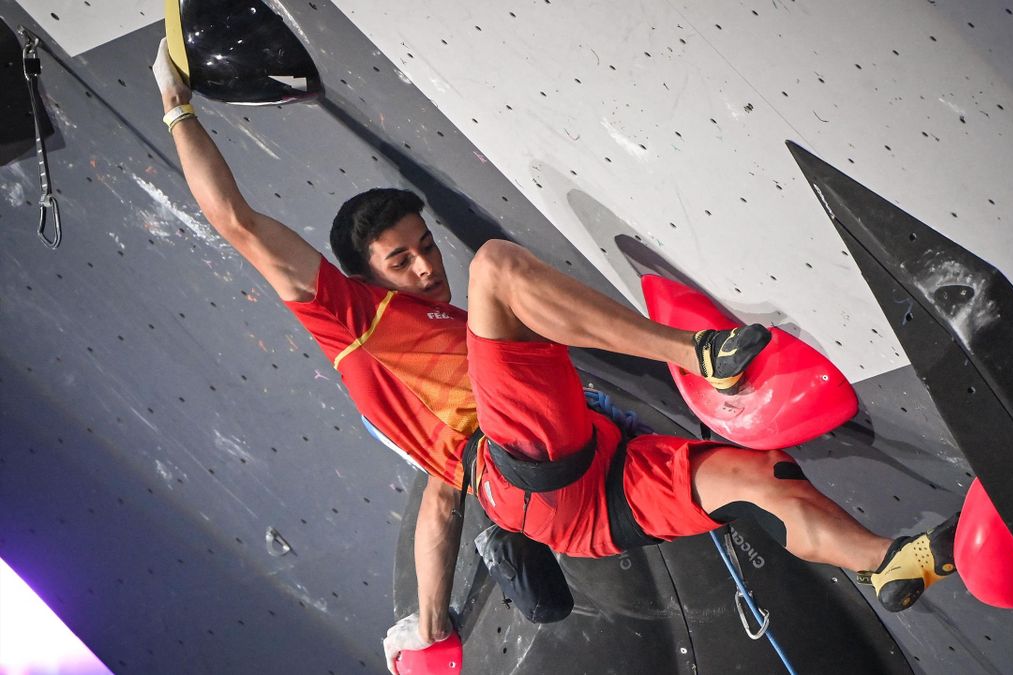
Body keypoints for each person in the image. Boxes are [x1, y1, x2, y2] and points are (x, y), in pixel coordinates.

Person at [152, 40, 958, 672]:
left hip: (583, 505)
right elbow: (238, 221)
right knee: (498, 268)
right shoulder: (348, 318)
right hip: (524, 469)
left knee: (756, 478)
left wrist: (432, 631)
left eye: (424, 247)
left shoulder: (427, 370)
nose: (427, 266)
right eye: (400, 261)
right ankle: (700, 353)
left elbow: (440, 508)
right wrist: (176, 105)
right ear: (363, 277)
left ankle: (894, 559)